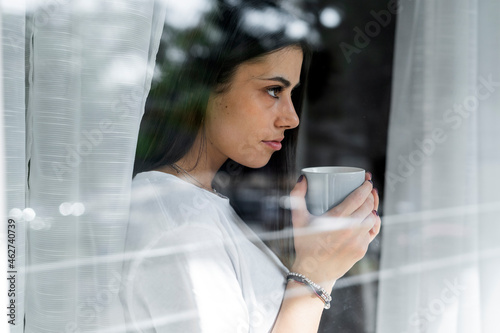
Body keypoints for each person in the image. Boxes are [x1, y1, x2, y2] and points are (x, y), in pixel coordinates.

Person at [120, 1, 381, 332]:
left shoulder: (195, 204)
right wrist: (317, 274)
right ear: (205, 86)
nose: (292, 118)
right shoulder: (182, 227)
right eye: (273, 90)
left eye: (291, 94)